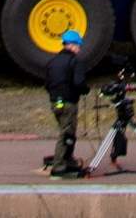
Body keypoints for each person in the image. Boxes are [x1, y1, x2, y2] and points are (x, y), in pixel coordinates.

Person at [44, 29, 88, 178]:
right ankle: (59, 166)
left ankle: (68, 160)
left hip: (55, 103)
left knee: (66, 131)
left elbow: (47, 83)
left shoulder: (53, 61)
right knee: (67, 134)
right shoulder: (75, 62)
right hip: (69, 103)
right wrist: (85, 90)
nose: (79, 49)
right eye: (78, 46)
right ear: (73, 45)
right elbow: (79, 82)